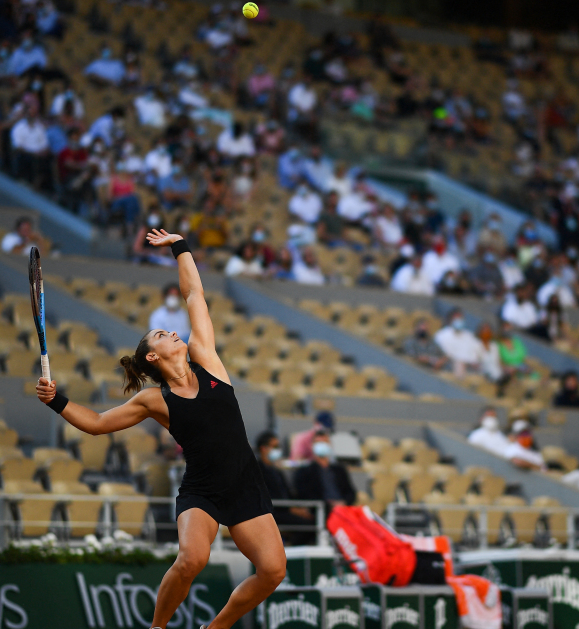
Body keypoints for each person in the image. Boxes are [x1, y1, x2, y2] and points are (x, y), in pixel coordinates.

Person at [35, 228, 286, 629]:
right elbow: (99, 424)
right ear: (153, 354)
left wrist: (180, 245)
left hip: (245, 486)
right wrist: (57, 401)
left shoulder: (208, 362)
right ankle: (157, 628)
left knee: (273, 572)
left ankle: (215, 628)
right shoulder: (155, 400)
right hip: (202, 492)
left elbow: (194, 296)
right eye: (161, 334)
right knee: (191, 559)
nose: (172, 331)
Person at [255, 430, 315, 542]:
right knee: (309, 526)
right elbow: (265, 497)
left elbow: (288, 493)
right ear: (263, 448)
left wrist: (299, 508)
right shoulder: (257, 470)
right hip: (272, 513)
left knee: (314, 519)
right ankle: (290, 550)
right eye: (275, 446)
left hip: (286, 510)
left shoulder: (277, 471)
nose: (278, 450)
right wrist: (291, 509)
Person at [293, 431, 357, 513]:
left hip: (343, 509)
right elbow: (305, 495)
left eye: (324, 442)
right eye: (318, 443)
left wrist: (344, 502)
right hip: (321, 511)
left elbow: (350, 492)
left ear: (330, 445)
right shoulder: (304, 472)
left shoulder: (339, 469)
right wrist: (329, 504)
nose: (322, 445)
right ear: (312, 446)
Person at [434, 310, 482, 377]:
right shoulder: (442, 334)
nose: (459, 321)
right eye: (457, 319)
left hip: (470, 366)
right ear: (451, 320)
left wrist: (473, 361)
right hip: (450, 364)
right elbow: (445, 354)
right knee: (459, 364)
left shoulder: (469, 336)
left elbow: (476, 351)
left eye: (461, 319)